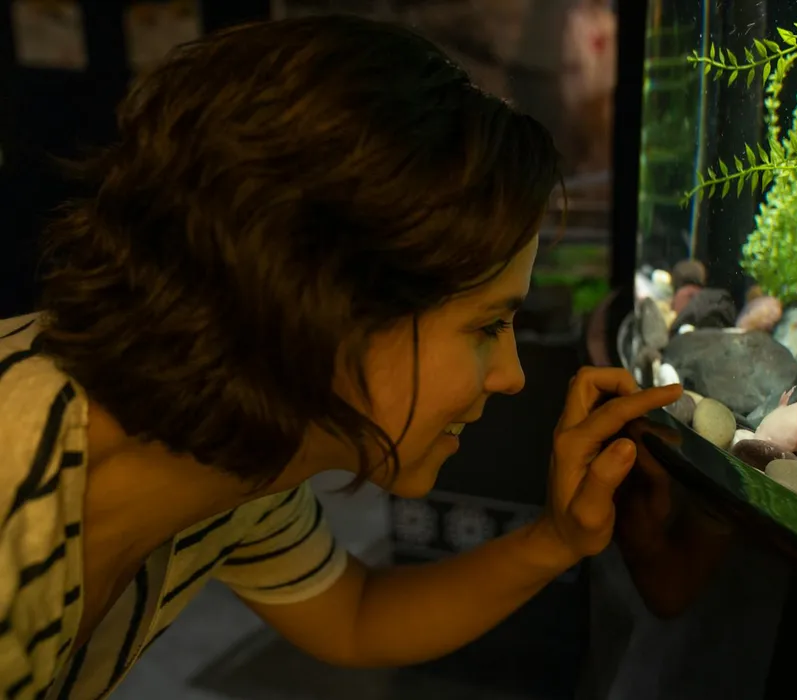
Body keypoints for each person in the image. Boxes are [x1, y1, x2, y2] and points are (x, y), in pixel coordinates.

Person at [0, 15, 682, 700]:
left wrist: (556, 538)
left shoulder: (233, 450)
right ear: (324, 305)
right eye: (486, 325)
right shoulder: (16, 514)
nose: (512, 377)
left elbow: (354, 617)